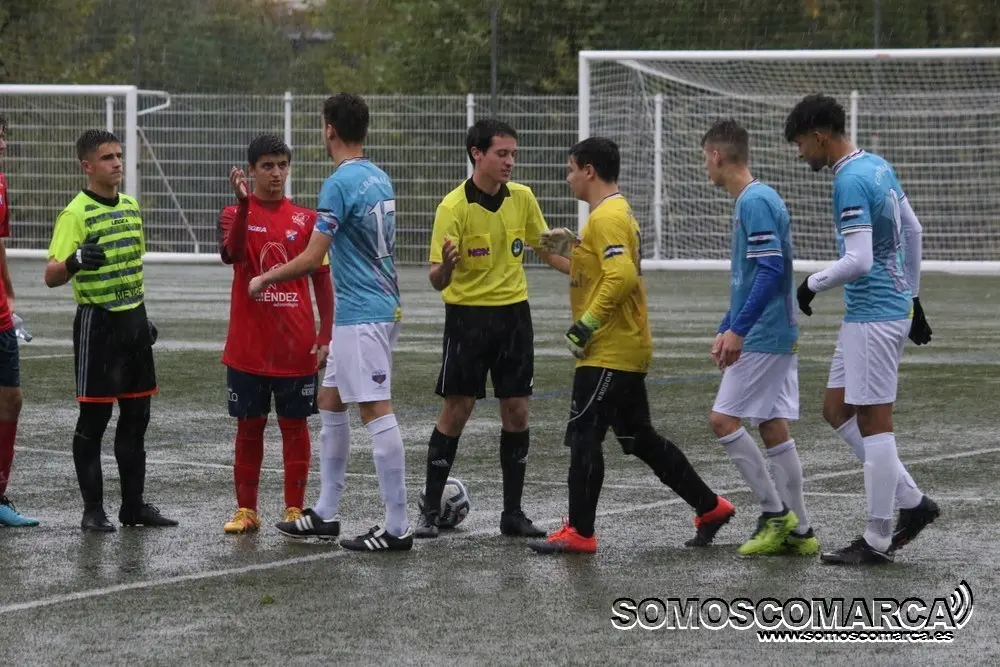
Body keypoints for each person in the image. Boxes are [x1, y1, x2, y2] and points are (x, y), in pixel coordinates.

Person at [527, 137, 735, 554]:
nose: (568, 178)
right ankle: (710, 506)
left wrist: (586, 325)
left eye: (571, 170)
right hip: (625, 346)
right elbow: (600, 270)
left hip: (610, 349)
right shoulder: (612, 214)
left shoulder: (606, 217)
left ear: (589, 171)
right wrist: (563, 249)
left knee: (585, 434)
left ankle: (580, 532)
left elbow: (620, 277)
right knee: (639, 438)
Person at [249, 93, 412, 552]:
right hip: (370, 308)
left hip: (363, 314)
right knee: (330, 400)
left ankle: (397, 527)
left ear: (329, 130)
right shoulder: (378, 175)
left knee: (375, 408)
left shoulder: (339, 183)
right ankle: (324, 512)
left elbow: (312, 257)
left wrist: (265, 277)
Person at [785, 94, 939, 565]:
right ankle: (913, 502)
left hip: (874, 315)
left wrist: (810, 284)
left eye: (799, 144)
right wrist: (913, 297)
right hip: (878, 311)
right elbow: (913, 230)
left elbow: (859, 260)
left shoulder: (849, 180)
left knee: (874, 421)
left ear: (818, 136)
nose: (799, 154)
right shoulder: (876, 165)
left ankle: (876, 539)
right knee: (836, 409)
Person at [415, 119, 570, 539]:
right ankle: (430, 511)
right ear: (476, 153)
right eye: (502, 153)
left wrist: (584, 268)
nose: (510, 161)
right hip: (467, 318)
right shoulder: (452, 207)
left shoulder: (523, 197)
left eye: (513, 154)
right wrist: (446, 268)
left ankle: (513, 514)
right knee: (457, 409)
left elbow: (548, 248)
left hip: (514, 317)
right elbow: (436, 278)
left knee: (517, 411)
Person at [44, 129, 177, 532]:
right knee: (94, 421)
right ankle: (93, 511)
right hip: (98, 326)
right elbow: (51, 275)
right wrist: (74, 260)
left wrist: (139, 318)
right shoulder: (75, 214)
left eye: (118, 155)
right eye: (107, 157)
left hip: (133, 323)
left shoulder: (132, 207)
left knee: (137, 418)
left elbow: (130, 267)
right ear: (87, 166)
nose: (117, 163)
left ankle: (133, 507)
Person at [701, 119, 818, 556]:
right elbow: (751, 277)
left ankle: (775, 513)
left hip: (765, 334)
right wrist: (726, 324)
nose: (705, 167)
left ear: (717, 155)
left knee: (723, 420)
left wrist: (740, 329)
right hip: (772, 330)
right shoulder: (755, 199)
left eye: (705, 158)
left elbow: (770, 271)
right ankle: (801, 531)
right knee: (771, 424)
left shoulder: (754, 201)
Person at [217, 134, 334, 534]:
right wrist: (244, 205)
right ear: (252, 170)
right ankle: (246, 511)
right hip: (247, 348)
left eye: (282, 165)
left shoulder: (307, 219)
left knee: (295, 428)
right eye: (267, 166)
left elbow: (322, 282)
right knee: (249, 428)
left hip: (295, 347)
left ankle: (294, 509)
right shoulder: (234, 213)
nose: (276, 173)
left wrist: (325, 335)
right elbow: (233, 253)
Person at [0, 113, 38, 527]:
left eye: (3, 136)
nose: (3, 145)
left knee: (11, 398)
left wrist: (8, 290)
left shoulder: (0, 182)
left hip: (0, 316)